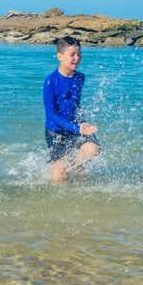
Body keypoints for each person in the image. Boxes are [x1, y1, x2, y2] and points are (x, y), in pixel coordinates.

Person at [43, 36, 100, 182]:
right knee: (59, 177)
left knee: (93, 149)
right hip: (56, 131)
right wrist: (76, 128)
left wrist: (82, 122)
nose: (77, 58)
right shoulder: (51, 81)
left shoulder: (80, 78)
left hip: (76, 126)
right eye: (72, 54)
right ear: (60, 56)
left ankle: (74, 164)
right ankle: (63, 171)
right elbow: (51, 114)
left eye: (79, 54)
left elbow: (75, 105)